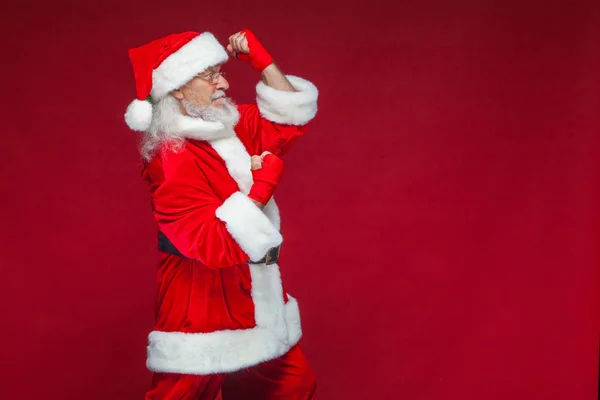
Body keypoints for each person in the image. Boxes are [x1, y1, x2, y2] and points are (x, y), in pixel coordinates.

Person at [123, 29, 319, 399]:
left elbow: (288, 122)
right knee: (186, 392)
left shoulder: (224, 124)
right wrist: (262, 186)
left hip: (249, 285)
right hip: (198, 295)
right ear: (178, 87)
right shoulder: (171, 158)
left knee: (293, 384)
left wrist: (264, 64)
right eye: (210, 75)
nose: (224, 83)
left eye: (220, 72)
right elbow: (212, 245)